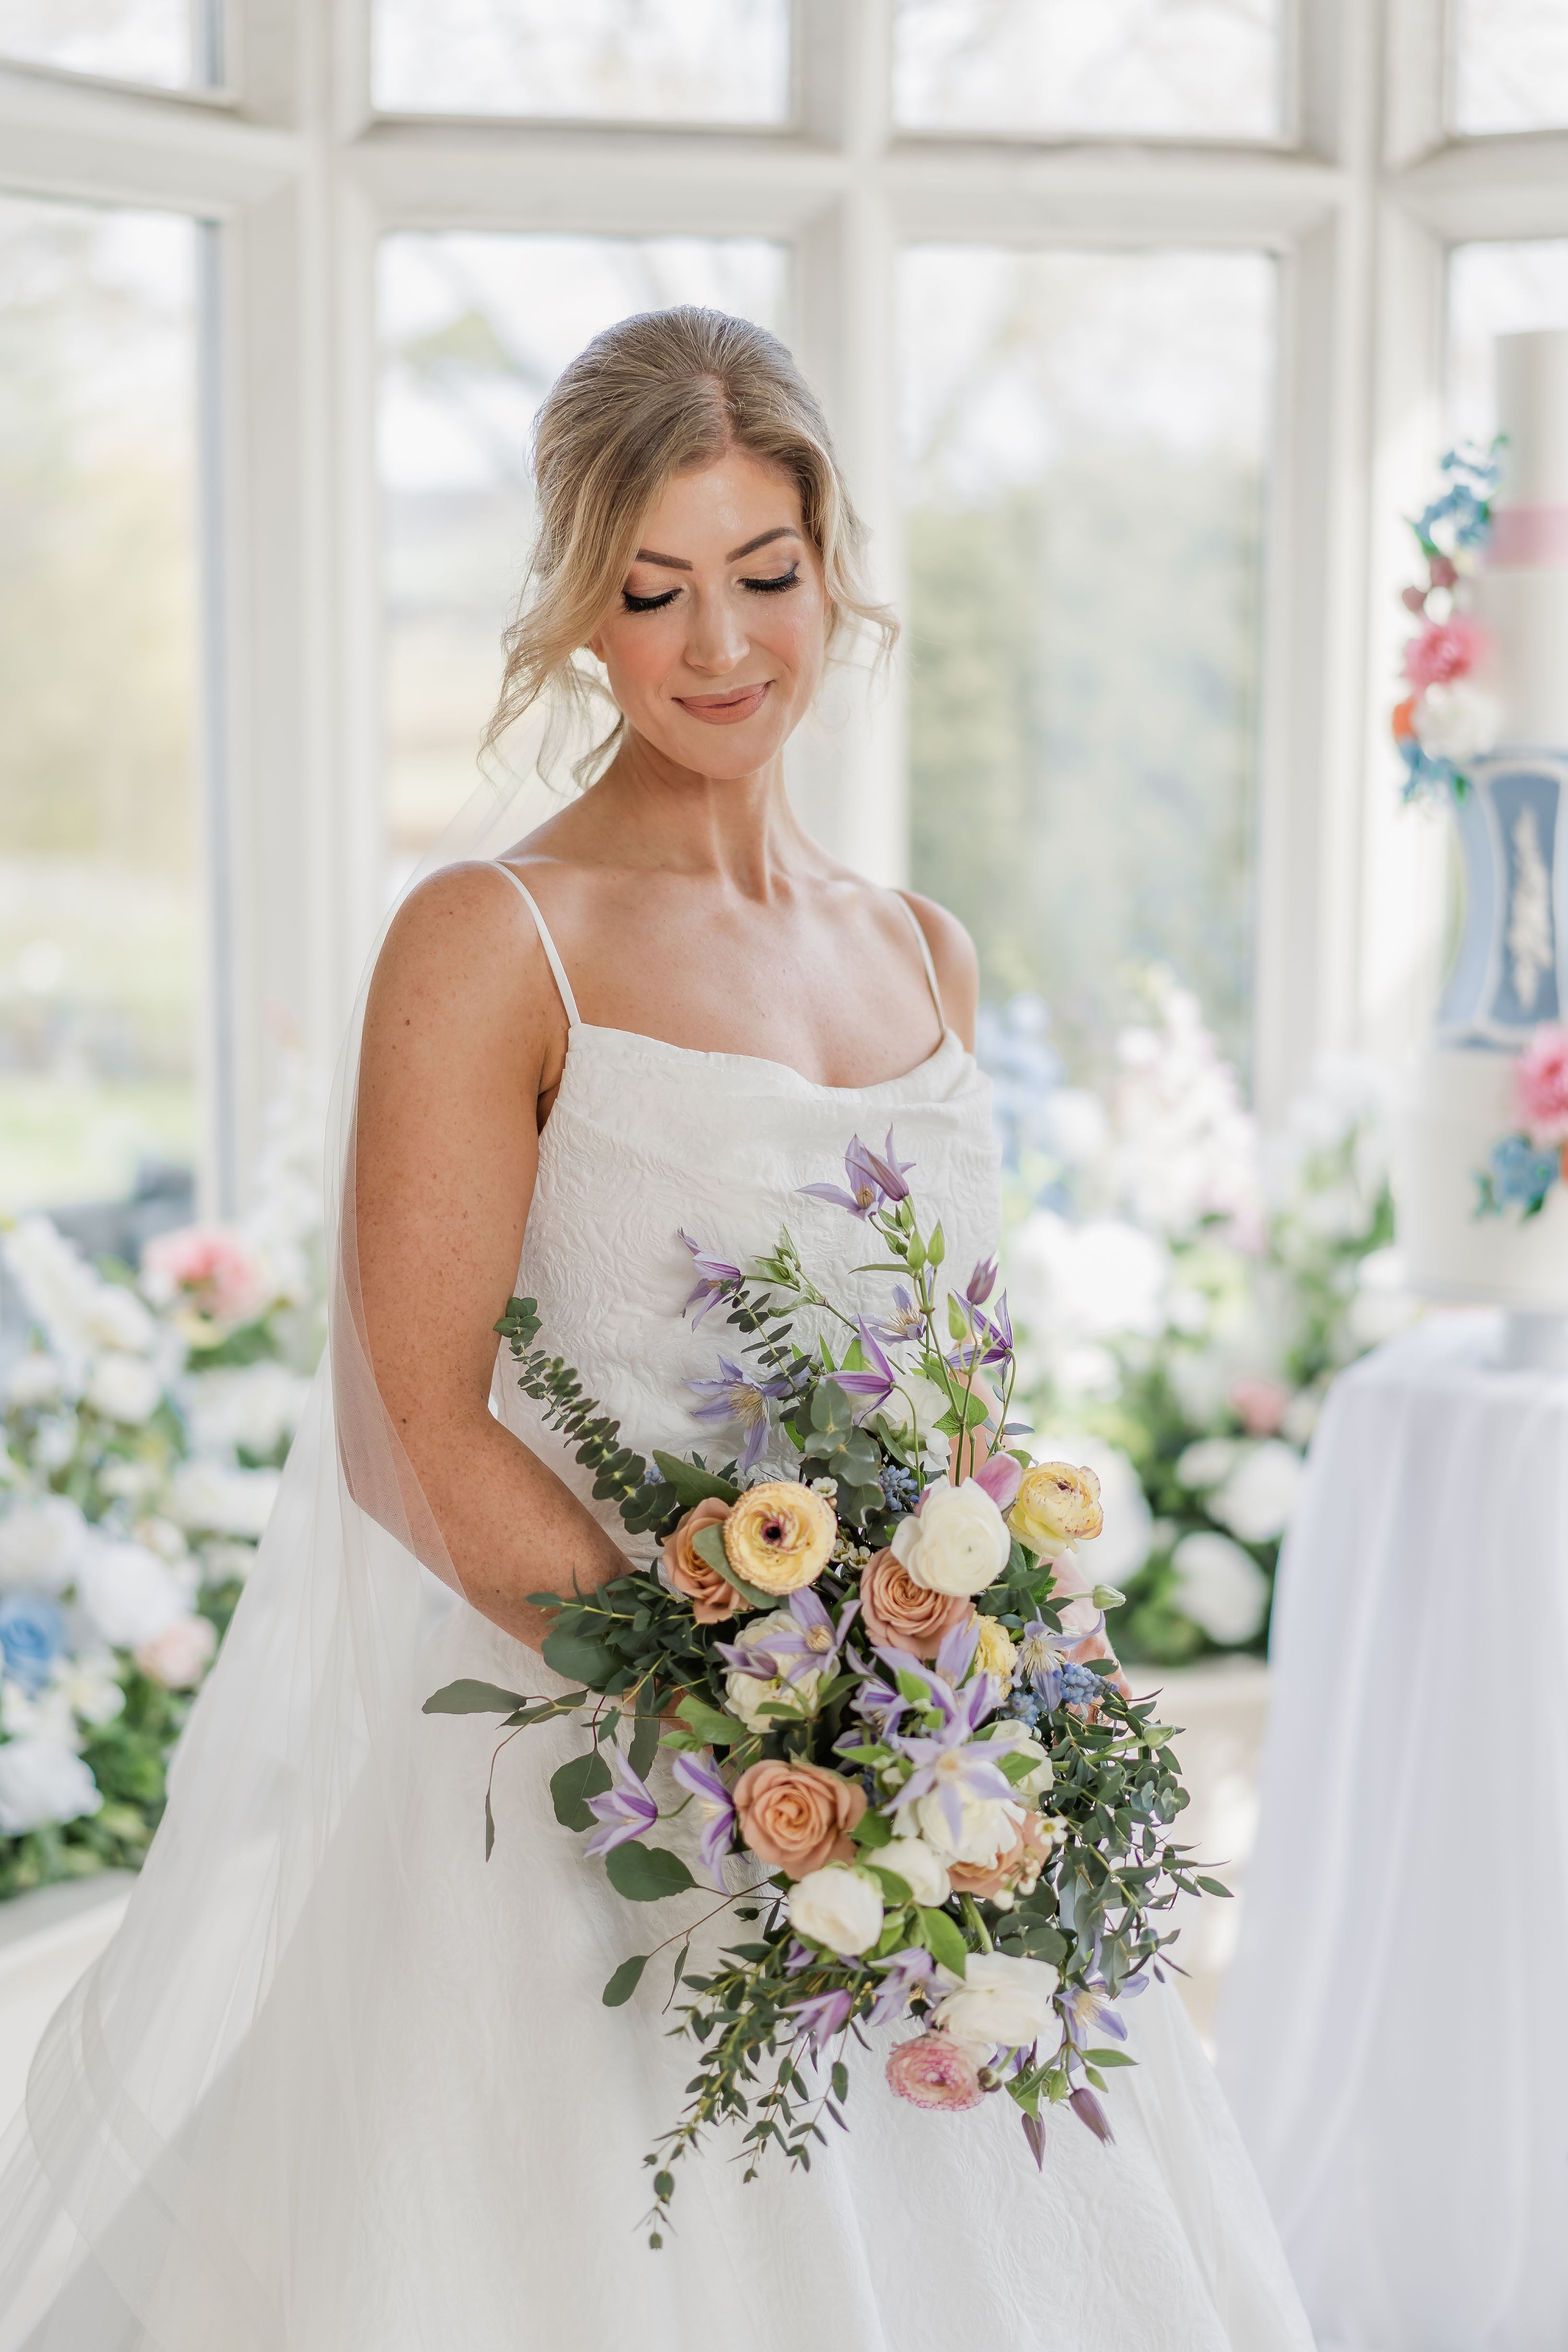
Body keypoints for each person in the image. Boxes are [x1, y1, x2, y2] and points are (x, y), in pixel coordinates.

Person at [0, 308, 1312, 2351]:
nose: (721, 644)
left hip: (924, 1797)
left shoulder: (922, 949)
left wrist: (962, 1727)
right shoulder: (489, 936)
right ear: (578, 615)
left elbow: (952, 1417)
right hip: (596, 1798)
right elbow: (410, 1426)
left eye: (764, 575)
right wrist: (742, 1734)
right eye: (653, 589)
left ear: (833, 572)